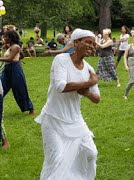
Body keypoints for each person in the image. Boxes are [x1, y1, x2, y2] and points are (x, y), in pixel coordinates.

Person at [35, 28, 100, 179]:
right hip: (53, 119)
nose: (92, 46)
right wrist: (87, 83)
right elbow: (60, 86)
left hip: (75, 120)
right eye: (88, 42)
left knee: (91, 152)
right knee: (56, 159)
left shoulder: (89, 69)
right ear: (76, 43)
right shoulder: (61, 60)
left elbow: (97, 98)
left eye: (93, 43)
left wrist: (88, 92)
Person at [1, 30, 34, 114]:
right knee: (2, 87)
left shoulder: (16, 47)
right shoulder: (10, 46)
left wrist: (16, 61)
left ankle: (30, 108)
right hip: (7, 69)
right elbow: (22, 55)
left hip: (15, 69)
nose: (4, 38)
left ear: (11, 38)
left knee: (19, 89)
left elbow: (9, 59)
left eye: (6, 37)